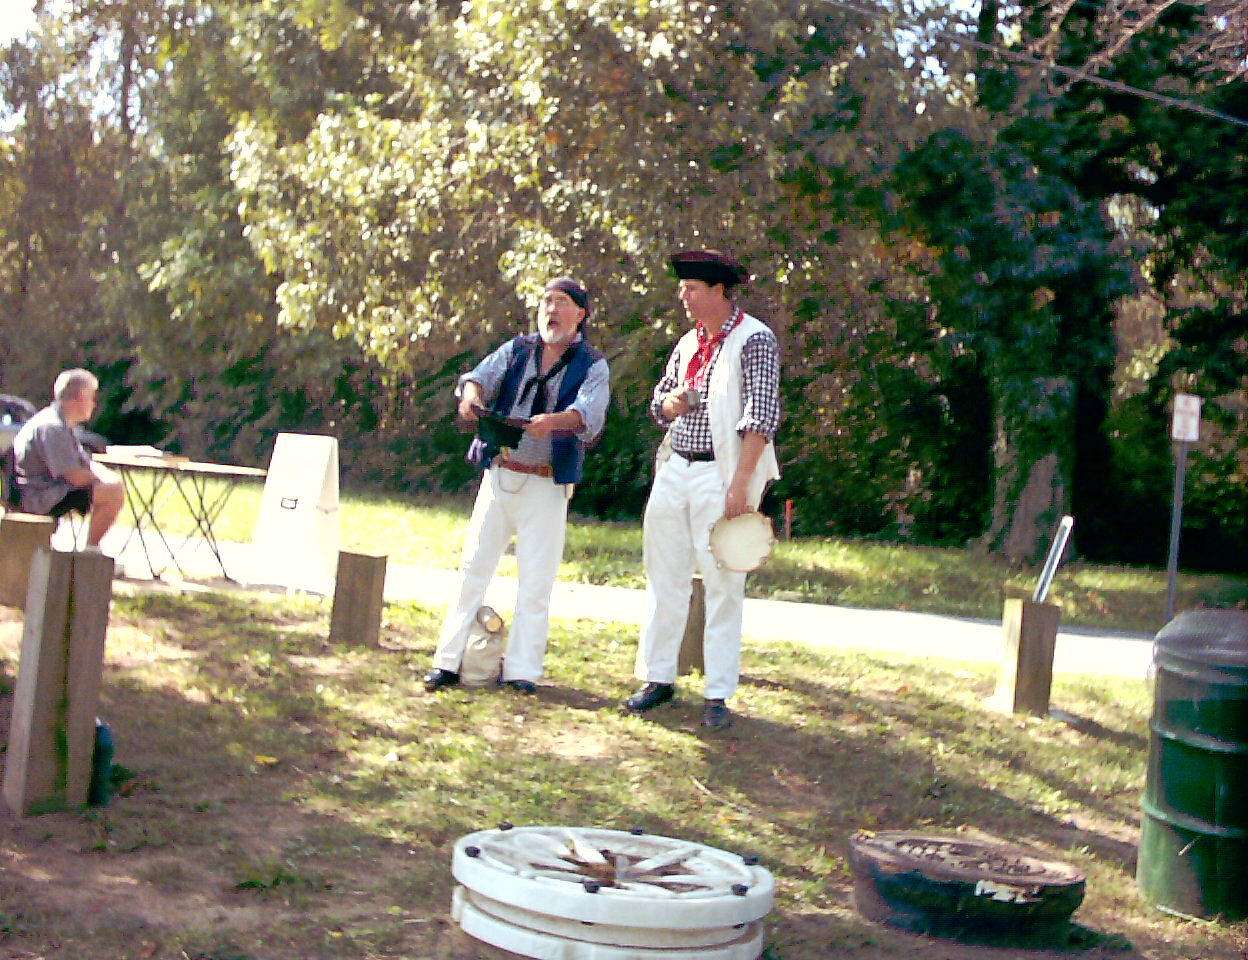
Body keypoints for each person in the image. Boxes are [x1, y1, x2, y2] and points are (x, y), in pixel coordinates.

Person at [424, 278, 610, 694]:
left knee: (536, 582)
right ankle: (447, 661)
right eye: (546, 302)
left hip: (546, 482)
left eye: (561, 303)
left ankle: (522, 672)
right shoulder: (518, 350)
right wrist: (471, 398)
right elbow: (477, 378)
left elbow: (589, 414)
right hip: (501, 472)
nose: (551, 311)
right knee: (472, 569)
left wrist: (554, 422)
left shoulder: (592, 364)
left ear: (580, 314)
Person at [624, 250, 781, 730]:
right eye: (682, 288)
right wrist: (669, 405)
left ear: (717, 291)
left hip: (721, 470)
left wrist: (740, 484)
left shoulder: (753, 339)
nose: (683, 296)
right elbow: (658, 401)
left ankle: (717, 693)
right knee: (663, 574)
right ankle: (658, 676)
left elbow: (761, 416)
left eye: (691, 288)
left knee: (723, 582)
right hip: (677, 465)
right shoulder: (689, 342)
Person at [12, 368, 124, 548]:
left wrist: (108, 477)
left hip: (50, 489)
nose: (94, 404)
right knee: (112, 493)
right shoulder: (52, 427)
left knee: (112, 487)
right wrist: (107, 483)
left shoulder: (61, 423)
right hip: (39, 496)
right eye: (92, 398)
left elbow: (85, 462)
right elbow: (74, 476)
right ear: (80, 397)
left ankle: (89, 550)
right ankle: (90, 551)